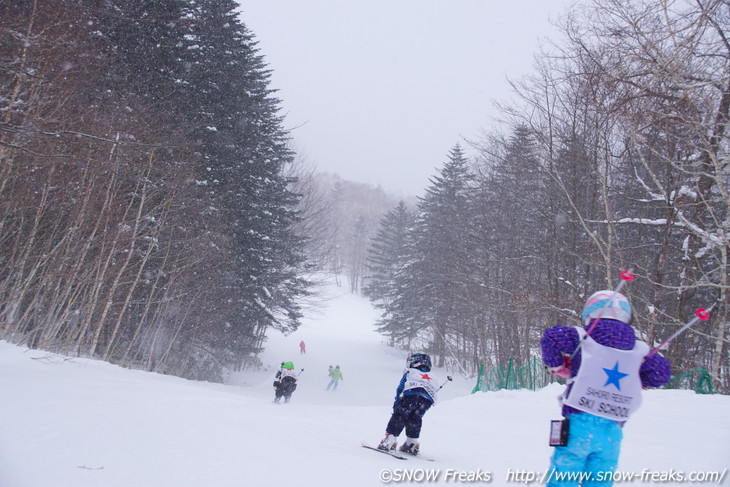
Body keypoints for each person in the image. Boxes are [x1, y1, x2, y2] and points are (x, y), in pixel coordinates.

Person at [540, 290, 671, 486]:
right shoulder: (639, 349)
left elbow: (551, 337)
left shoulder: (582, 337)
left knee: (563, 475)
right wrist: (642, 378)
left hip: (578, 422)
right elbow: (661, 373)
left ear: (590, 314)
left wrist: (556, 365)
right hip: (612, 431)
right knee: (600, 479)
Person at [377, 352, 440, 455]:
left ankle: (390, 439)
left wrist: (397, 400)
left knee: (400, 415)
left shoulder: (411, 372)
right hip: (427, 399)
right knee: (415, 417)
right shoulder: (432, 376)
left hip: (411, 393)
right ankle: (412, 442)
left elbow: (401, 387)